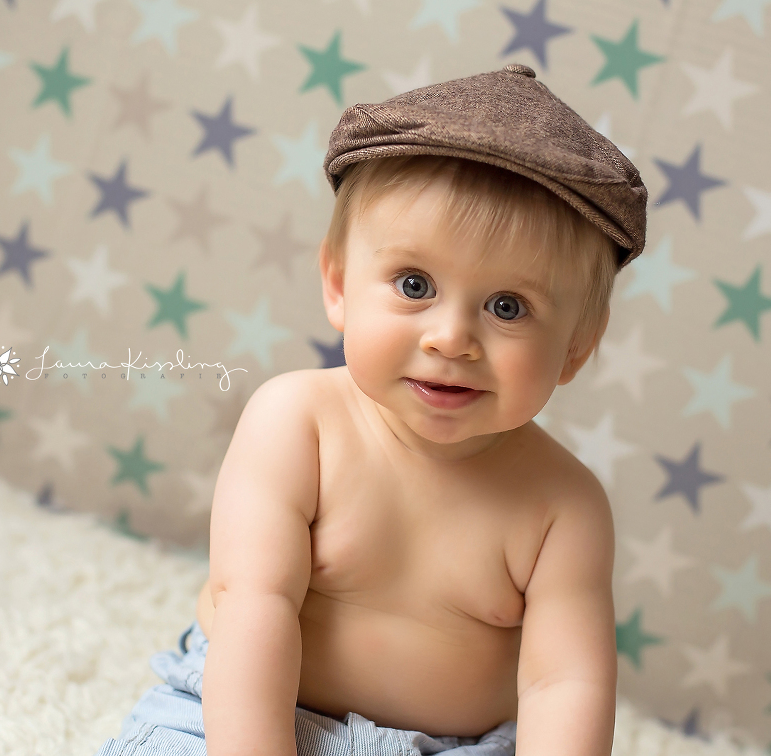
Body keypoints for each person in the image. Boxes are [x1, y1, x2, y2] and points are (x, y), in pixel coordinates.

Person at [95, 62, 648, 756]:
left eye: (507, 307)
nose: (450, 338)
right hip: (246, 710)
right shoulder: (297, 423)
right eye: (415, 284)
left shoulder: (563, 506)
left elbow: (564, 686)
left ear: (576, 346)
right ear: (338, 285)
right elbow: (253, 604)